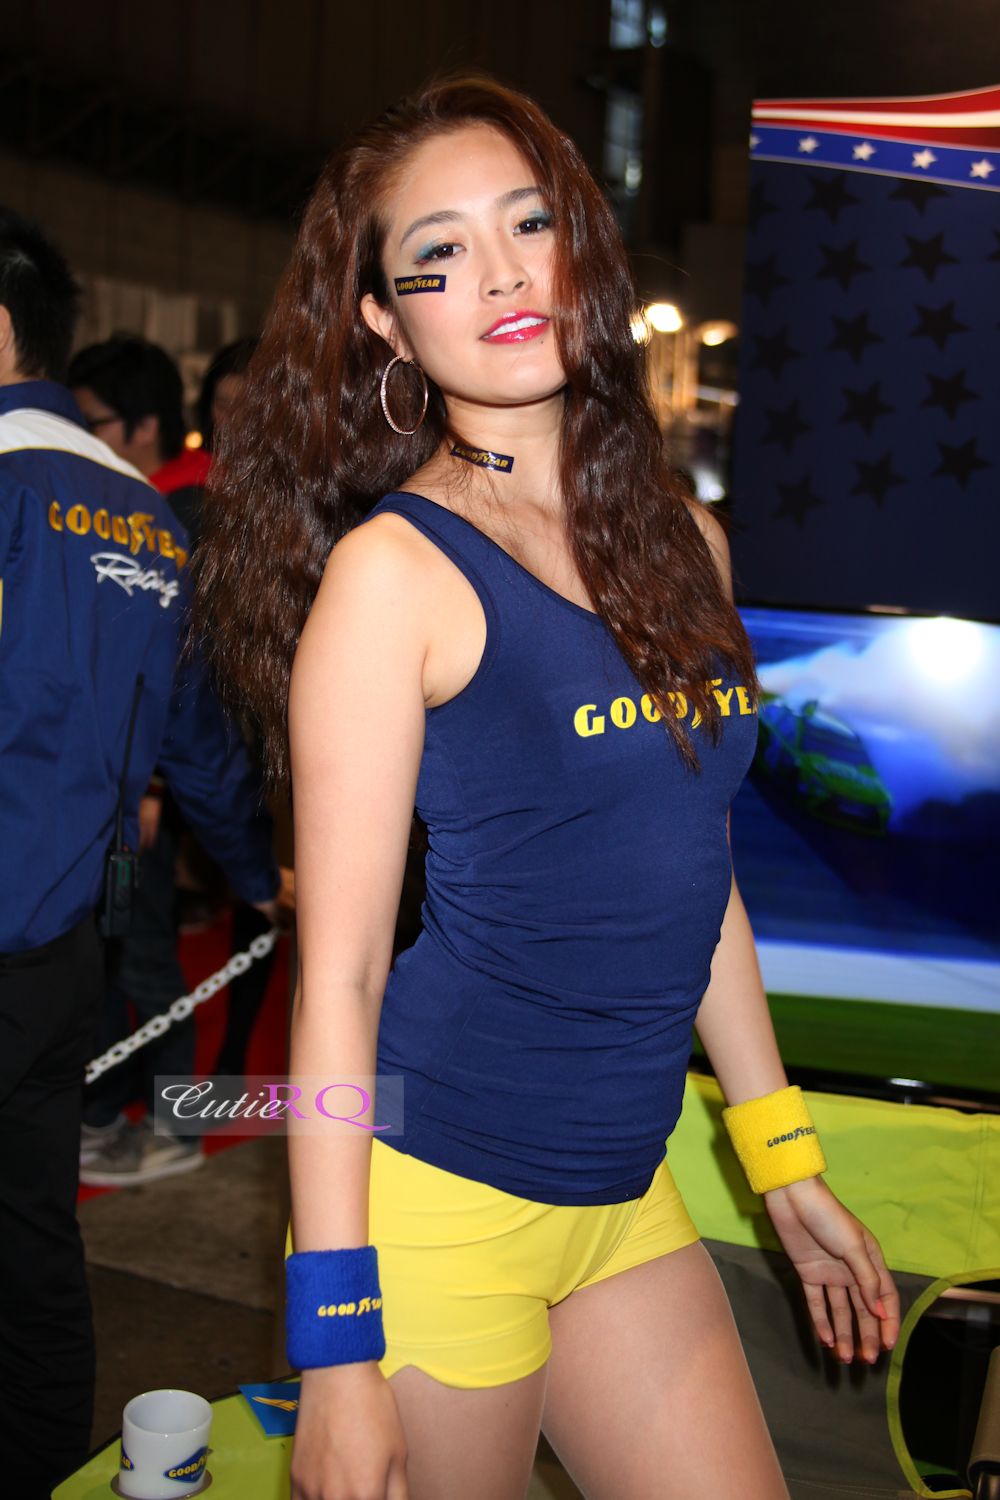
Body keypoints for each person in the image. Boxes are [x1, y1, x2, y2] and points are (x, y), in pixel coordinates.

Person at [194, 78, 901, 1500]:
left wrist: (784, 1163)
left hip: (627, 1194)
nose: (503, 274)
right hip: (442, 1202)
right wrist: (335, 1346)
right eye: (437, 254)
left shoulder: (685, 542)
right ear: (385, 322)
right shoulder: (394, 578)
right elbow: (339, 986)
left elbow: (694, 871)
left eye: (529, 225)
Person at [0, 207, 279, 1496]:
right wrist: (265, 877)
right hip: (64, 955)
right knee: (33, 1248)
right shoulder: (147, 519)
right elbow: (206, 749)